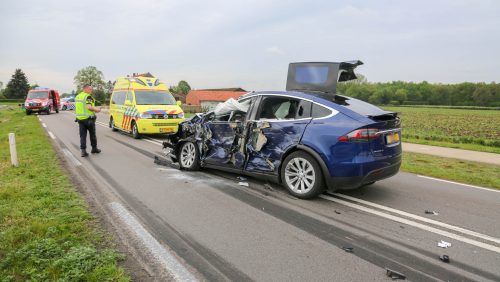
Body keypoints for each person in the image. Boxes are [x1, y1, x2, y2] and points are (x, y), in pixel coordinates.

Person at [75, 85, 101, 157]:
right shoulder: (88, 96)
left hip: (80, 119)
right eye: (90, 89)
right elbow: (89, 107)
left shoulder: (78, 96)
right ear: (85, 89)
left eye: (91, 89)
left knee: (82, 136)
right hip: (89, 119)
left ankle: (83, 151)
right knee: (92, 134)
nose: (91, 90)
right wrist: (97, 110)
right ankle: (94, 148)